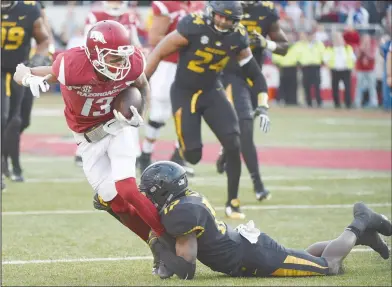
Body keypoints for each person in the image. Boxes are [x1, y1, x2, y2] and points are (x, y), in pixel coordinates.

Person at [13, 20, 170, 272]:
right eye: (114, 58)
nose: (121, 64)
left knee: (127, 189)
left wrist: (140, 111)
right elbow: (28, 72)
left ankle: (168, 238)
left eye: (123, 57)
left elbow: (141, 84)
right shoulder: (71, 65)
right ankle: (156, 246)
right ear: (94, 54)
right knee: (115, 202)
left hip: (117, 128)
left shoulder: (132, 63)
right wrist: (27, 78)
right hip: (86, 139)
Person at [142, 161, 391, 280]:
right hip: (248, 249)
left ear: (164, 188)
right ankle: (366, 236)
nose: (147, 195)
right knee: (301, 257)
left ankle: (360, 223)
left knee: (329, 266)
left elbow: (186, 271)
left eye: (150, 190)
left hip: (253, 255)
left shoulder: (181, 213)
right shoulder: (183, 202)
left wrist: (156, 243)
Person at [145, 1, 272, 219]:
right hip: (184, 93)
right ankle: (194, 152)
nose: (222, 21)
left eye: (228, 18)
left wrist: (262, 104)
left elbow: (256, 74)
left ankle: (233, 202)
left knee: (234, 141)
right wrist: (142, 84)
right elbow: (158, 52)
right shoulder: (192, 25)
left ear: (236, 21)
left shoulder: (238, 36)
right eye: (219, 15)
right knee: (193, 155)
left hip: (212, 91)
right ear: (211, 12)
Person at [216, 0, 289, 202]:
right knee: (245, 129)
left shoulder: (265, 11)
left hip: (253, 76)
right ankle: (258, 185)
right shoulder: (223, 8)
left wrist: (266, 44)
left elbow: (284, 47)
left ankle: (227, 148)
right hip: (228, 76)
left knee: (242, 131)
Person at [71, 0, 144, 167]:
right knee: (92, 110)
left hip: (121, 67)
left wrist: (138, 57)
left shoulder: (128, 16)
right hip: (100, 69)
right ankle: (81, 150)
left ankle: (135, 152)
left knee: (129, 108)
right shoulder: (96, 15)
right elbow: (87, 45)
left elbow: (135, 43)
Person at [138, 1, 199, 176]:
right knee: (159, 114)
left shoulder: (198, 5)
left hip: (189, 66)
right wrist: (186, 41)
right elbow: (154, 38)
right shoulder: (167, 5)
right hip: (167, 65)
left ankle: (179, 157)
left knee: (188, 113)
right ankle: (145, 154)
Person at [1, 0, 50, 188]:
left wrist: (37, 61)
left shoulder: (29, 7)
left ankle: (7, 159)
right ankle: (12, 167)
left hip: (21, 70)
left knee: (20, 121)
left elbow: (44, 39)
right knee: (4, 118)